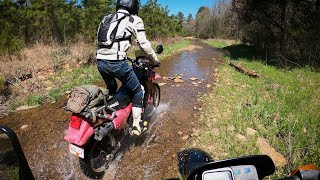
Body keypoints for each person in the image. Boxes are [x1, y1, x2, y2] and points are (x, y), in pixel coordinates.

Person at [96, 0, 159, 136]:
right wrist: (154, 59)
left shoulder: (106, 18)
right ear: (133, 5)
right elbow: (143, 44)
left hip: (100, 62)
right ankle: (136, 126)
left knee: (112, 90)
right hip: (117, 64)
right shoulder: (134, 19)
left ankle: (109, 115)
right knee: (138, 91)